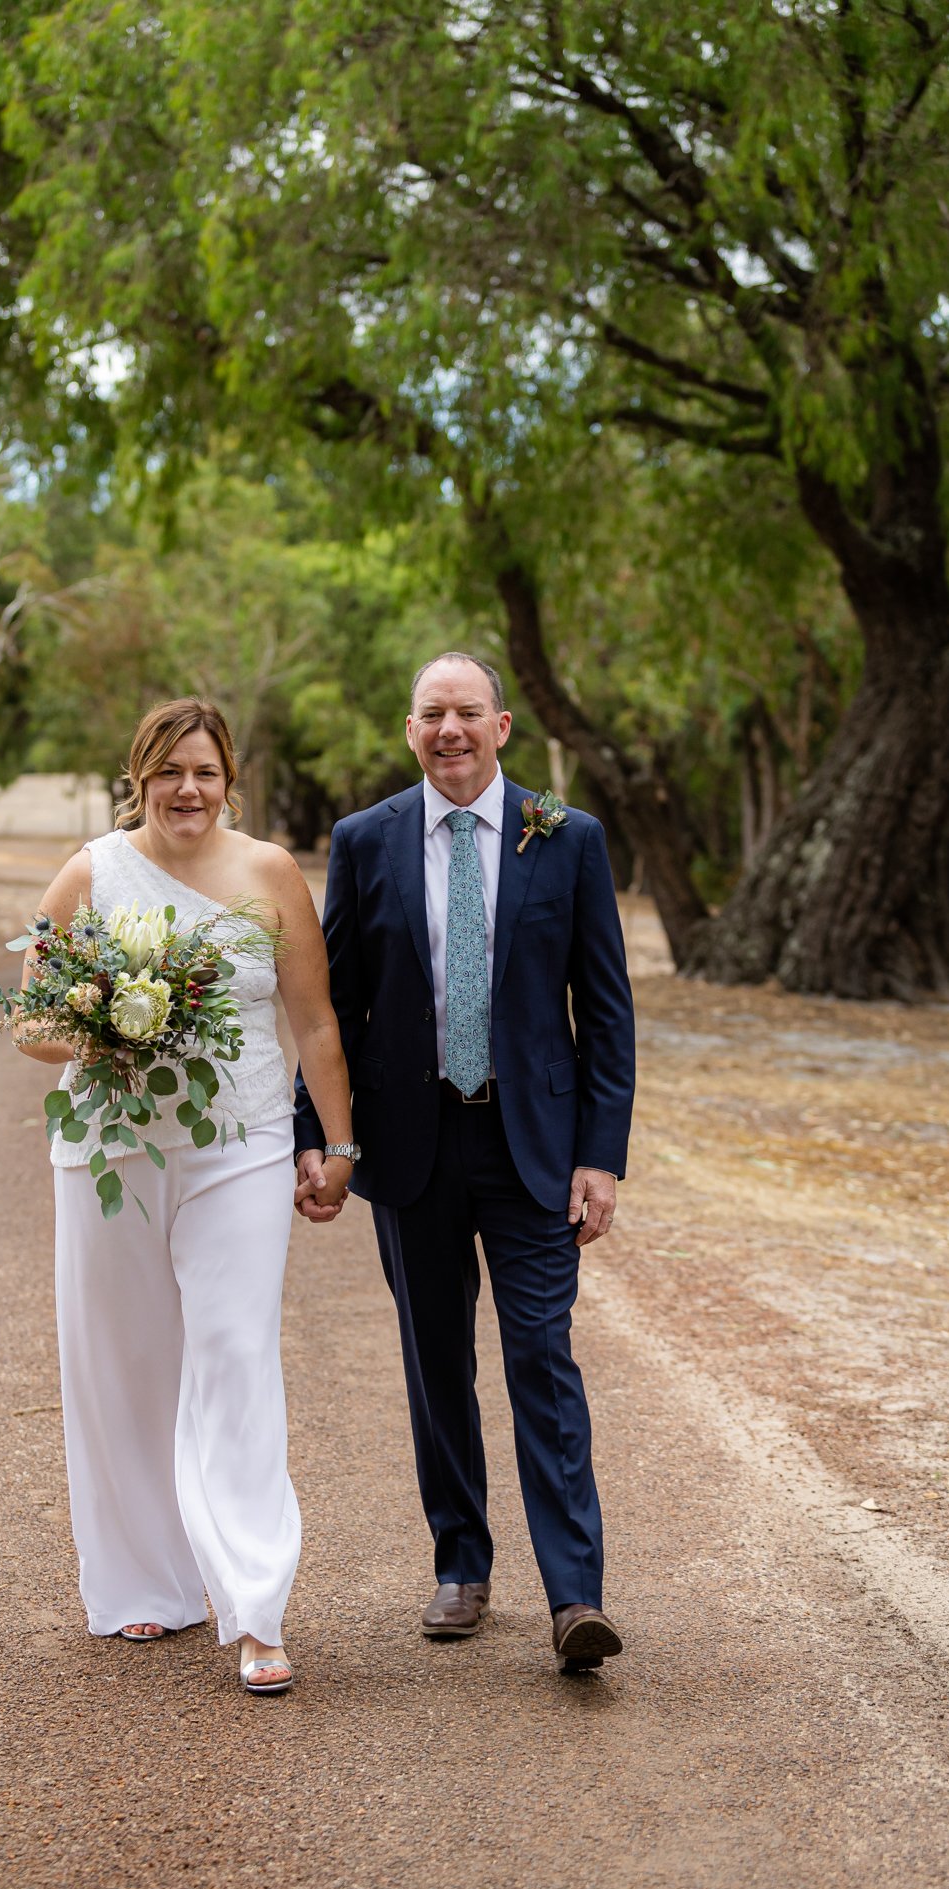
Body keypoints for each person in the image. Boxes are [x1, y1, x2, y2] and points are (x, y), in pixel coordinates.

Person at [294, 653, 636, 1670]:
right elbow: (332, 1008)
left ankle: (575, 1595)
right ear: (410, 729)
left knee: (540, 1353)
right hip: (413, 1147)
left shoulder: (568, 838)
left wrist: (600, 1156)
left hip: (532, 1145)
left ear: (503, 727)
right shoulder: (363, 840)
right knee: (435, 1357)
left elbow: (605, 1011)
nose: (450, 729)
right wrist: (325, 1135)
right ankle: (460, 1564)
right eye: (432, 714)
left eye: (467, 713)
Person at [18, 698, 354, 1694]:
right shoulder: (89, 871)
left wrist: (339, 1141)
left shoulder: (270, 873)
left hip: (239, 1145)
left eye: (204, 770)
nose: (188, 789)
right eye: (169, 771)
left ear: (228, 776)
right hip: (111, 1149)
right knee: (119, 1360)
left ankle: (255, 1608)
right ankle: (142, 1581)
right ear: (140, 776)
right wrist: (111, 1030)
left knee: (234, 1351)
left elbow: (317, 1021)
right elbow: (33, 1020)